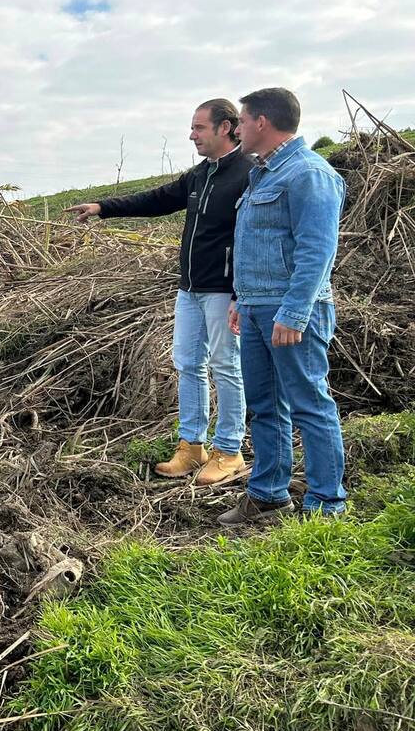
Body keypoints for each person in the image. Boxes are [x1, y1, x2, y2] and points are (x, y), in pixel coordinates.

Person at [67, 100, 252, 484]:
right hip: (190, 289)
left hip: (224, 290)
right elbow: (157, 200)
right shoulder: (200, 174)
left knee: (226, 366)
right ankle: (192, 446)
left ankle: (229, 451)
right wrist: (103, 207)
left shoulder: (248, 173)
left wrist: (241, 291)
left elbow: (254, 237)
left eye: (199, 127)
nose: (192, 135)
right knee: (188, 364)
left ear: (225, 127)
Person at [218, 88, 347, 524]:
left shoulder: (309, 173)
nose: (236, 129)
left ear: (262, 122)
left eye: (241, 120)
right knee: (265, 405)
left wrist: (293, 313)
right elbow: (256, 244)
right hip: (257, 307)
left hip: (291, 311)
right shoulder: (263, 173)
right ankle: (269, 495)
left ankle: (326, 504)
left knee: (309, 403)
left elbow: (317, 251)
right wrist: (242, 298)